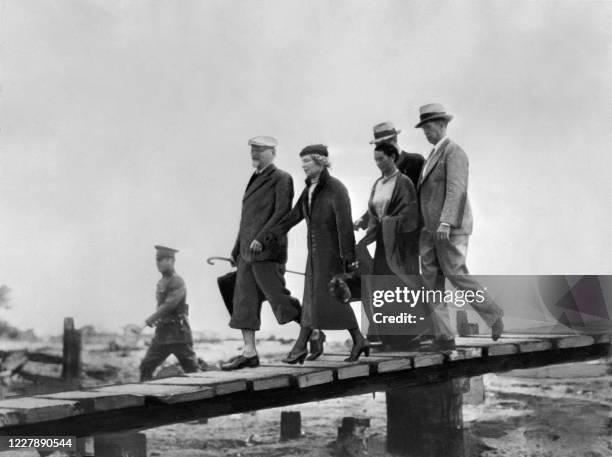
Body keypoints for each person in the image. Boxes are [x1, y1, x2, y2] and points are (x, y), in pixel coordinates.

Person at [268, 144, 369, 363]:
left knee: (329, 299)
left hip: (332, 256)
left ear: (320, 161)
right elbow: (294, 216)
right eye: (302, 161)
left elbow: (344, 225)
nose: (303, 166)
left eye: (307, 161)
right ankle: (358, 339)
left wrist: (349, 258)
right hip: (313, 257)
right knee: (315, 299)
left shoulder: (336, 189)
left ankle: (300, 347)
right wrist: (271, 234)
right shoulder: (309, 190)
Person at [415, 103, 504, 350]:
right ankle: (444, 336)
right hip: (430, 231)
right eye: (424, 129)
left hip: (449, 229)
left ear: (443, 125)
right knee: (430, 281)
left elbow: (456, 189)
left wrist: (446, 221)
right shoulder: (432, 155)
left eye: (429, 127)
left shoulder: (454, 152)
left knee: (456, 274)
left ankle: (493, 314)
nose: (426, 132)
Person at [221, 136, 302, 370]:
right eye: (253, 151)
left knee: (279, 298)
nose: (254, 154)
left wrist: (261, 238)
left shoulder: (282, 178)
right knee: (244, 302)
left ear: (273, 152)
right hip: (247, 253)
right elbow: (247, 221)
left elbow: (281, 214)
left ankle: (312, 333)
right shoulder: (254, 179)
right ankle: (249, 353)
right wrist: (236, 250)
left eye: (260, 150)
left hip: (267, 252)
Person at [359, 142, 426, 349]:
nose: (378, 163)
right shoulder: (378, 184)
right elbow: (373, 211)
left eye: (382, 159)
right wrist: (368, 226)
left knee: (400, 286)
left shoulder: (404, 182)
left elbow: (409, 211)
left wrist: (388, 222)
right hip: (382, 243)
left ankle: (408, 336)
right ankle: (388, 338)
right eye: (375, 160)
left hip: (400, 244)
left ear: (393, 157)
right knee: (382, 286)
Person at [139, 245, 199, 381]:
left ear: (171, 261)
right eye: (157, 260)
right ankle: (146, 396)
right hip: (163, 334)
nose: (158, 264)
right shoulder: (161, 282)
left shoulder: (177, 281)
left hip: (178, 333)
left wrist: (146, 322)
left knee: (192, 370)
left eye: (162, 260)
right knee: (146, 366)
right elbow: (161, 308)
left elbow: (168, 306)